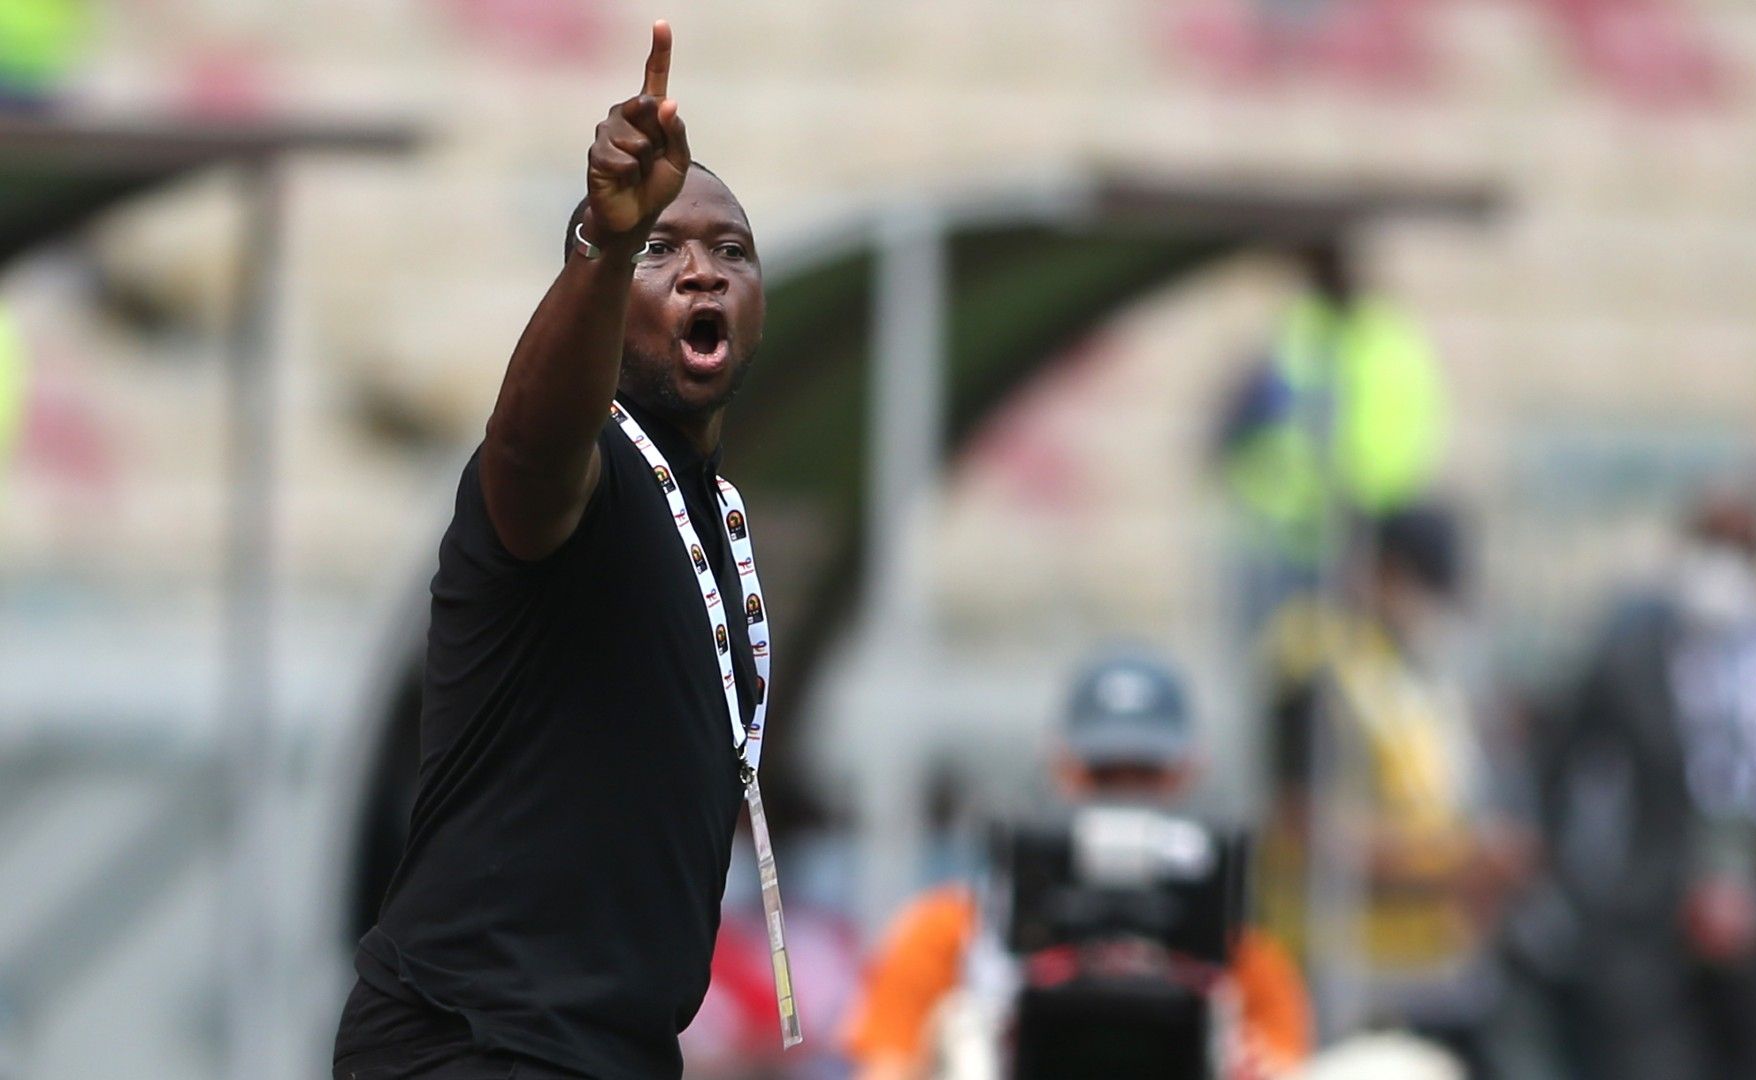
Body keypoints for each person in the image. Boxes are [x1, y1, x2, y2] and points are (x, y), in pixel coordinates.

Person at [333, 22, 777, 1079]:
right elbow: (533, 447)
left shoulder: (715, 516)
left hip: (612, 1051)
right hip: (474, 1040)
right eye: (664, 251)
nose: (703, 275)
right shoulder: (580, 476)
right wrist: (606, 243)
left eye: (731, 252)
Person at [840, 652, 1315, 1080]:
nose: (1125, 793)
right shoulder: (951, 938)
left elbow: (1285, 1058)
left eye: (1147, 772)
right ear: (1061, 765)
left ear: (1189, 769)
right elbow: (885, 1066)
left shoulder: (1238, 961)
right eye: (1104, 771)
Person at [1538, 489, 1756, 1080]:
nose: (1723, 566)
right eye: (1710, 544)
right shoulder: (1630, 660)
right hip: (1650, 938)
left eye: (1740, 547)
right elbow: (1561, 771)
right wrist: (1586, 891)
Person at [1256, 505, 1532, 1077]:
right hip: (1340, 966)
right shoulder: (1315, 656)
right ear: (1378, 570)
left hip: (1434, 965)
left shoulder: (1415, 662)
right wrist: (1450, 865)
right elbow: (1302, 822)